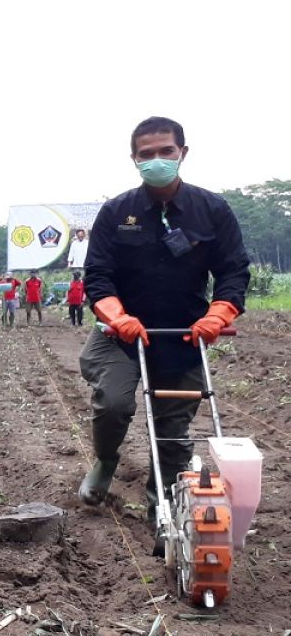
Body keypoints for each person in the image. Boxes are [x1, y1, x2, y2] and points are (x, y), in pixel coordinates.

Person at [77, 116, 249, 554]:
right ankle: (106, 460)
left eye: (165, 152)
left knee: (172, 431)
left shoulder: (212, 210)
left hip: (181, 336)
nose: (156, 160)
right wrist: (117, 315)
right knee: (114, 402)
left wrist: (218, 313)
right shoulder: (117, 212)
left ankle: (165, 514)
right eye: (146, 154)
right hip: (121, 333)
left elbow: (232, 269)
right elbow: (97, 274)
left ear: (182, 153)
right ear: (134, 159)